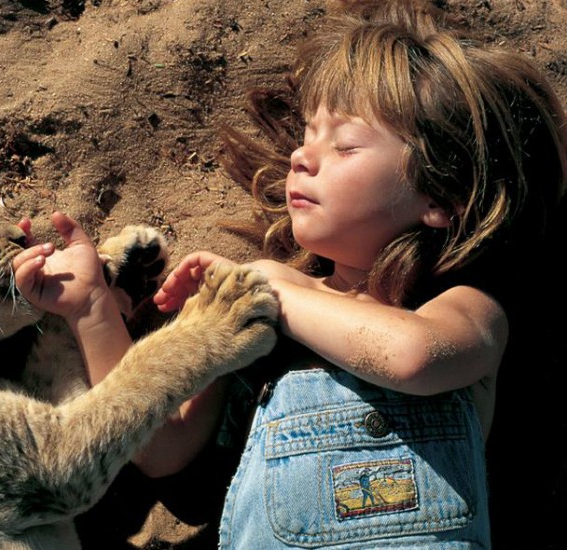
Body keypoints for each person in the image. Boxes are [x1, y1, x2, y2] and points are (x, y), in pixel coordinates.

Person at [136, 1, 567, 548]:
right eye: (307, 135)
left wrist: (267, 291)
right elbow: (162, 449)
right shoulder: (266, 302)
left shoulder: (466, 308)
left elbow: (411, 356)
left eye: (344, 146)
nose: (301, 157)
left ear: (439, 195)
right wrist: (93, 313)